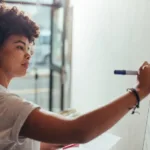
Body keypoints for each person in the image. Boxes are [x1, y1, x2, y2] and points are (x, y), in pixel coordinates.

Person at [0, 3, 150, 150]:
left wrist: (56, 142)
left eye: (29, 48)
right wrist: (140, 90)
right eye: (20, 47)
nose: (28, 54)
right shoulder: (6, 104)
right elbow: (79, 131)